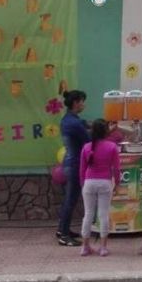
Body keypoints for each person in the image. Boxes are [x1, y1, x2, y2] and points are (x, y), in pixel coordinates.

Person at [79, 119, 121, 257]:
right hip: (105, 183)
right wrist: (118, 184)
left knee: (88, 214)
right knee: (103, 215)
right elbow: (116, 168)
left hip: (89, 183)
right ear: (106, 131)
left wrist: (82, 183)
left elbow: (82, 169)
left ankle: (85, 247)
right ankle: (103, 248)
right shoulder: (112, 147)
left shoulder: (86, 147)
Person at [56, 90, 89, 246]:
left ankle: (63, 229)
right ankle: (64, 235)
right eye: (82, 101)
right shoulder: (74, 123)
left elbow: (84, 124)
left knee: (69, 199)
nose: (83, 104)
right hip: (75, 164)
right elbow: (88, 139)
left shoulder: (68, 119)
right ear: (76, 103)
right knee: (70, 200)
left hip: (69, 163)